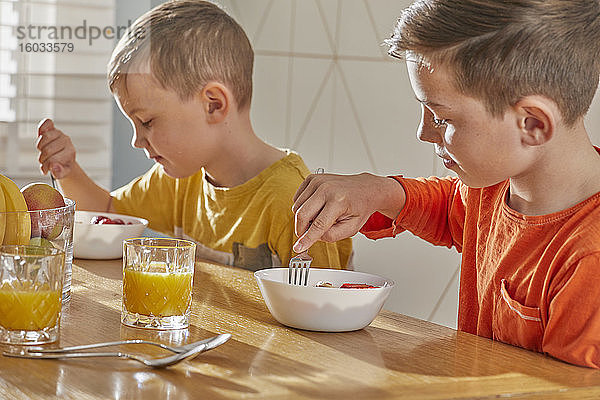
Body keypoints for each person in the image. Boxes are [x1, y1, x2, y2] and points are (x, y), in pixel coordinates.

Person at [292, 0, 600, 368]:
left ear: (532, 124)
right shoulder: (495, 186)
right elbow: (454, 209)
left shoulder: (589, 262)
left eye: (441, 118)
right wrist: (379, 192)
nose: (423, 133)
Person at [35, 0, 352, 271]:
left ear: (213, 104)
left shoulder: (294, 201)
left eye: (146, 121)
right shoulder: (177, 180)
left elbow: (321, 313)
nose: (136, 140)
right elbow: (108, 215)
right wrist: (69, 169)